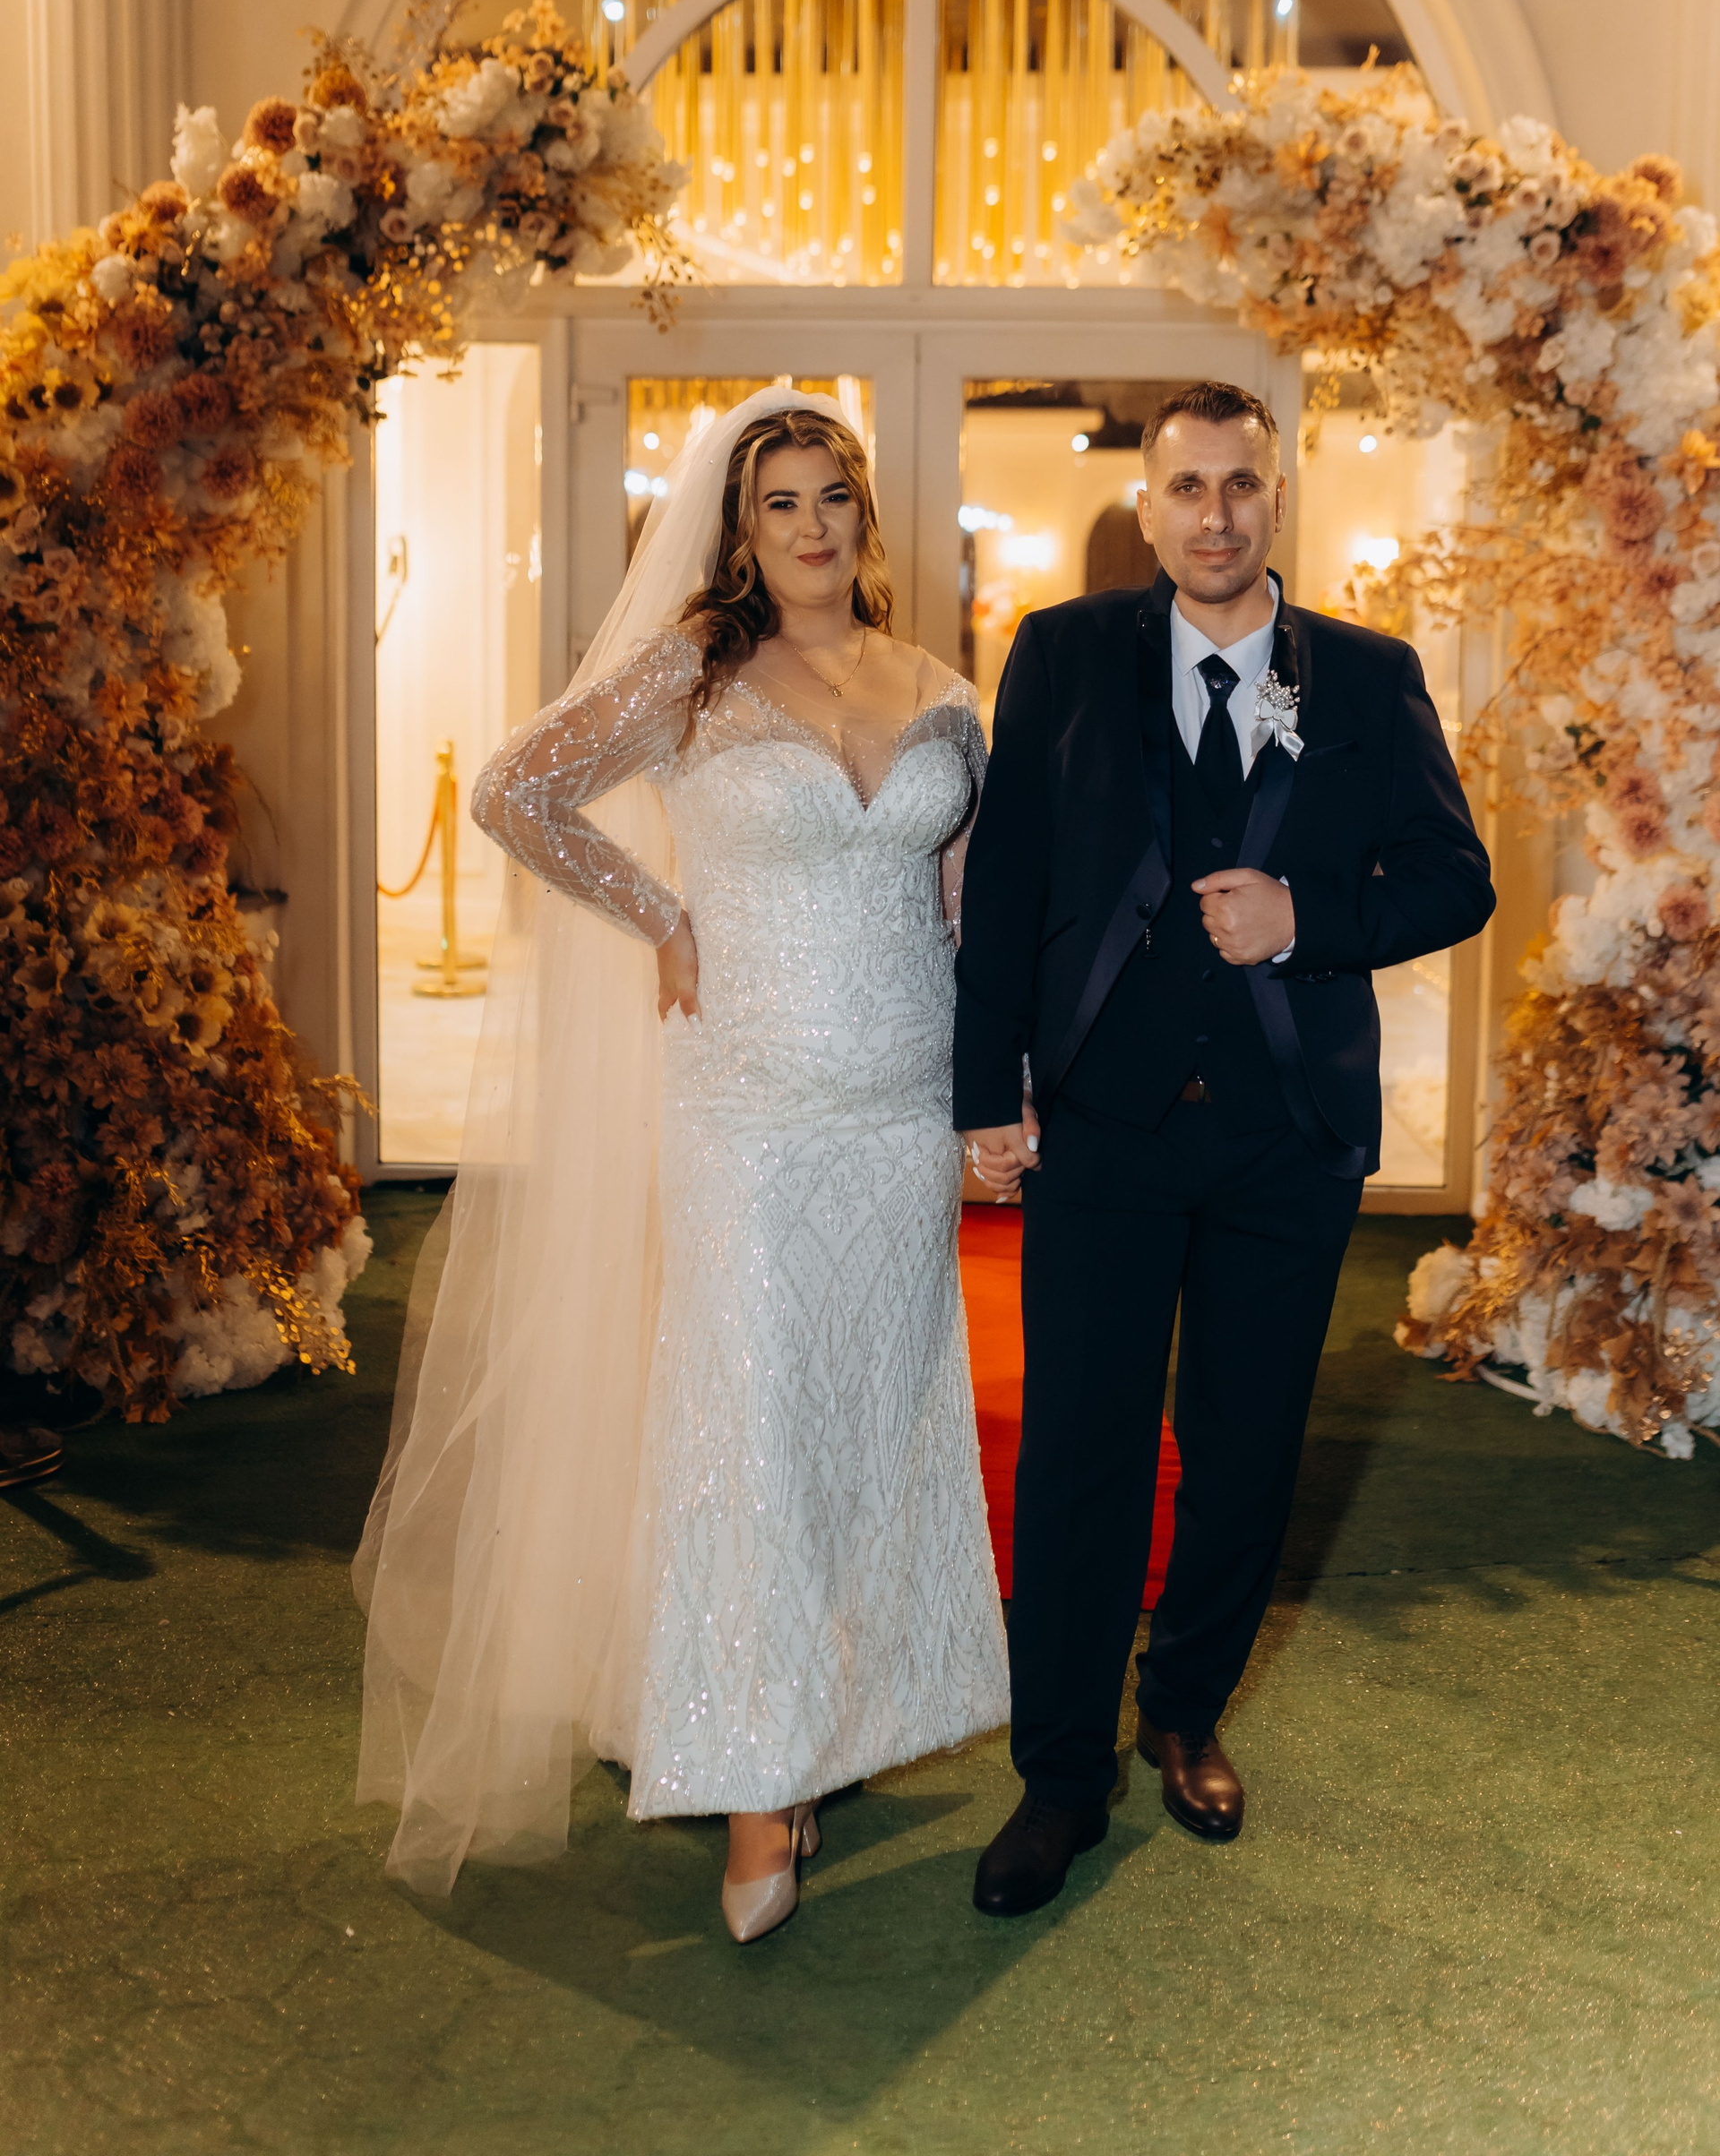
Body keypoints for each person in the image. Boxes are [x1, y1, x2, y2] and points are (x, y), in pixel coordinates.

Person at [354, 387, 1007, 1939]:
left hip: (901, 1110)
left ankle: (835, 1716)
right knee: (755, 1426)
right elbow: (516, 792)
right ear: (738, 528)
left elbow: (965, 912)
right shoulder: (693, 673)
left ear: (864, 514)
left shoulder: (940, 687)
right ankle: (758, 1785)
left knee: (871, 1419)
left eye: (832, 496)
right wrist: (660, 916)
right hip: (751, 1111)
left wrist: (1003, 1093)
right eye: (780, 502)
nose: (811, 527)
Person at [954, 378, 1494, 1916]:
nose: (1214, 514)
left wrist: (1309, 919)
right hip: (1104, 1132)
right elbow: (1009, 887)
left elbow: (1456, 879)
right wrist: (982, 1092)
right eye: (1185, 486)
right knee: (1081, 1455)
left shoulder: (1369, 676)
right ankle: (1062, 1775)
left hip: (1285, 1138)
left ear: (1278, 497)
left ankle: (1184, 1715)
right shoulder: (1060, 655)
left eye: (1240, 485)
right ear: (1147, 506)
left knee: (1246, 1449)